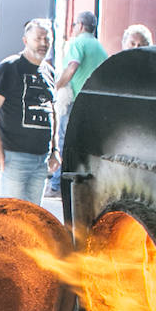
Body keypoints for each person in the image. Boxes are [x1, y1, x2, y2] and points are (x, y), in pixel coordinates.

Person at [0, 19, 59, 203]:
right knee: (11, 214)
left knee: (33, 217)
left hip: (42, 159)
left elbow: (53, 112)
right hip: (14, 157)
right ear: (25, 40)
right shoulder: (10, 67)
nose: (43, 43)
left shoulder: (49, 72)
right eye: (38, 38)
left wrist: (55, 150)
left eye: (47, 39)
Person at [46, 10, 109, 198]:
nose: (73, 29)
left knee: (64, 142)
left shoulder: (78, 43)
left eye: (74, 25)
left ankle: (56, 185)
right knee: (86, 145)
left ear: (80, 26)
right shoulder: (98, 46)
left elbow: (72, 67)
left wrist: (55, 87)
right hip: (93, 102)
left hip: (74, 101)